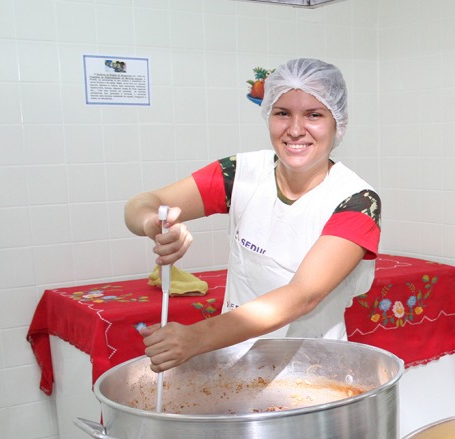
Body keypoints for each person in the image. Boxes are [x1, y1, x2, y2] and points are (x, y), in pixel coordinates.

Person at [124, 58, 381, 372]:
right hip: (236, 363)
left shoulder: (356, 200)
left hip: (314, 373)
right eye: (282, 113)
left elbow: (302, 296)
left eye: (314, 115)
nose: (296, 129)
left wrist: (196, 338)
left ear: (337, 123)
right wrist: (155, 223)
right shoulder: (242, 173)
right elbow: (143, 202)